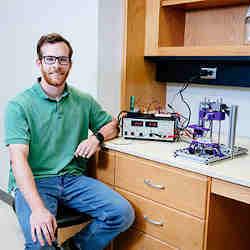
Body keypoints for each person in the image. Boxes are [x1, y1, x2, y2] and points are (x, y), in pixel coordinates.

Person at [4, 33, 135, 250]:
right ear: (39, 63)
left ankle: (74, 247)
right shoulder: (19, 105)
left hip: (72, 179)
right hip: (36, 180)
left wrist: (97, 138)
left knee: (122, 214)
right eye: (50, 59)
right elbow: (18, 160)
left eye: (62, 59)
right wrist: (37, 209)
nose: (57, 65)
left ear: (70, 64)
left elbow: (113, 124)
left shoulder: (83, 100)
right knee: (40, 243)